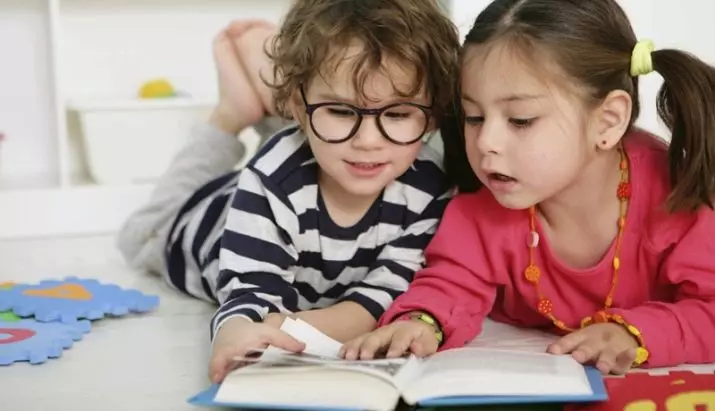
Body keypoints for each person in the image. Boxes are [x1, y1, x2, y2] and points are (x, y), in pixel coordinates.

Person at [340, 0, 715, 375]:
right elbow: (449, 284)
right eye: (474, 117)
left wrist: (636, 335)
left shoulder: (679, 196)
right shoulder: (484, 208)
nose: (487, 141)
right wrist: (421, 322)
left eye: (520, 120)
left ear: (608, 120)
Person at [117, 0, 460, 383]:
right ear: (298, 106)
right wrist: (237, 332)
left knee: (317, 149)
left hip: (306, 177)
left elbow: (382, 296)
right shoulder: (270, 180)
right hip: (204, 223)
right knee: (139, 235)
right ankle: (229, 116)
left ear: (431, 115)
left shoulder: (430, 189)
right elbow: (247, 296)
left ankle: (270, 100)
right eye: (342, 111)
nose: (368, 141)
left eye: (397, 115)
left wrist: (284, 326)